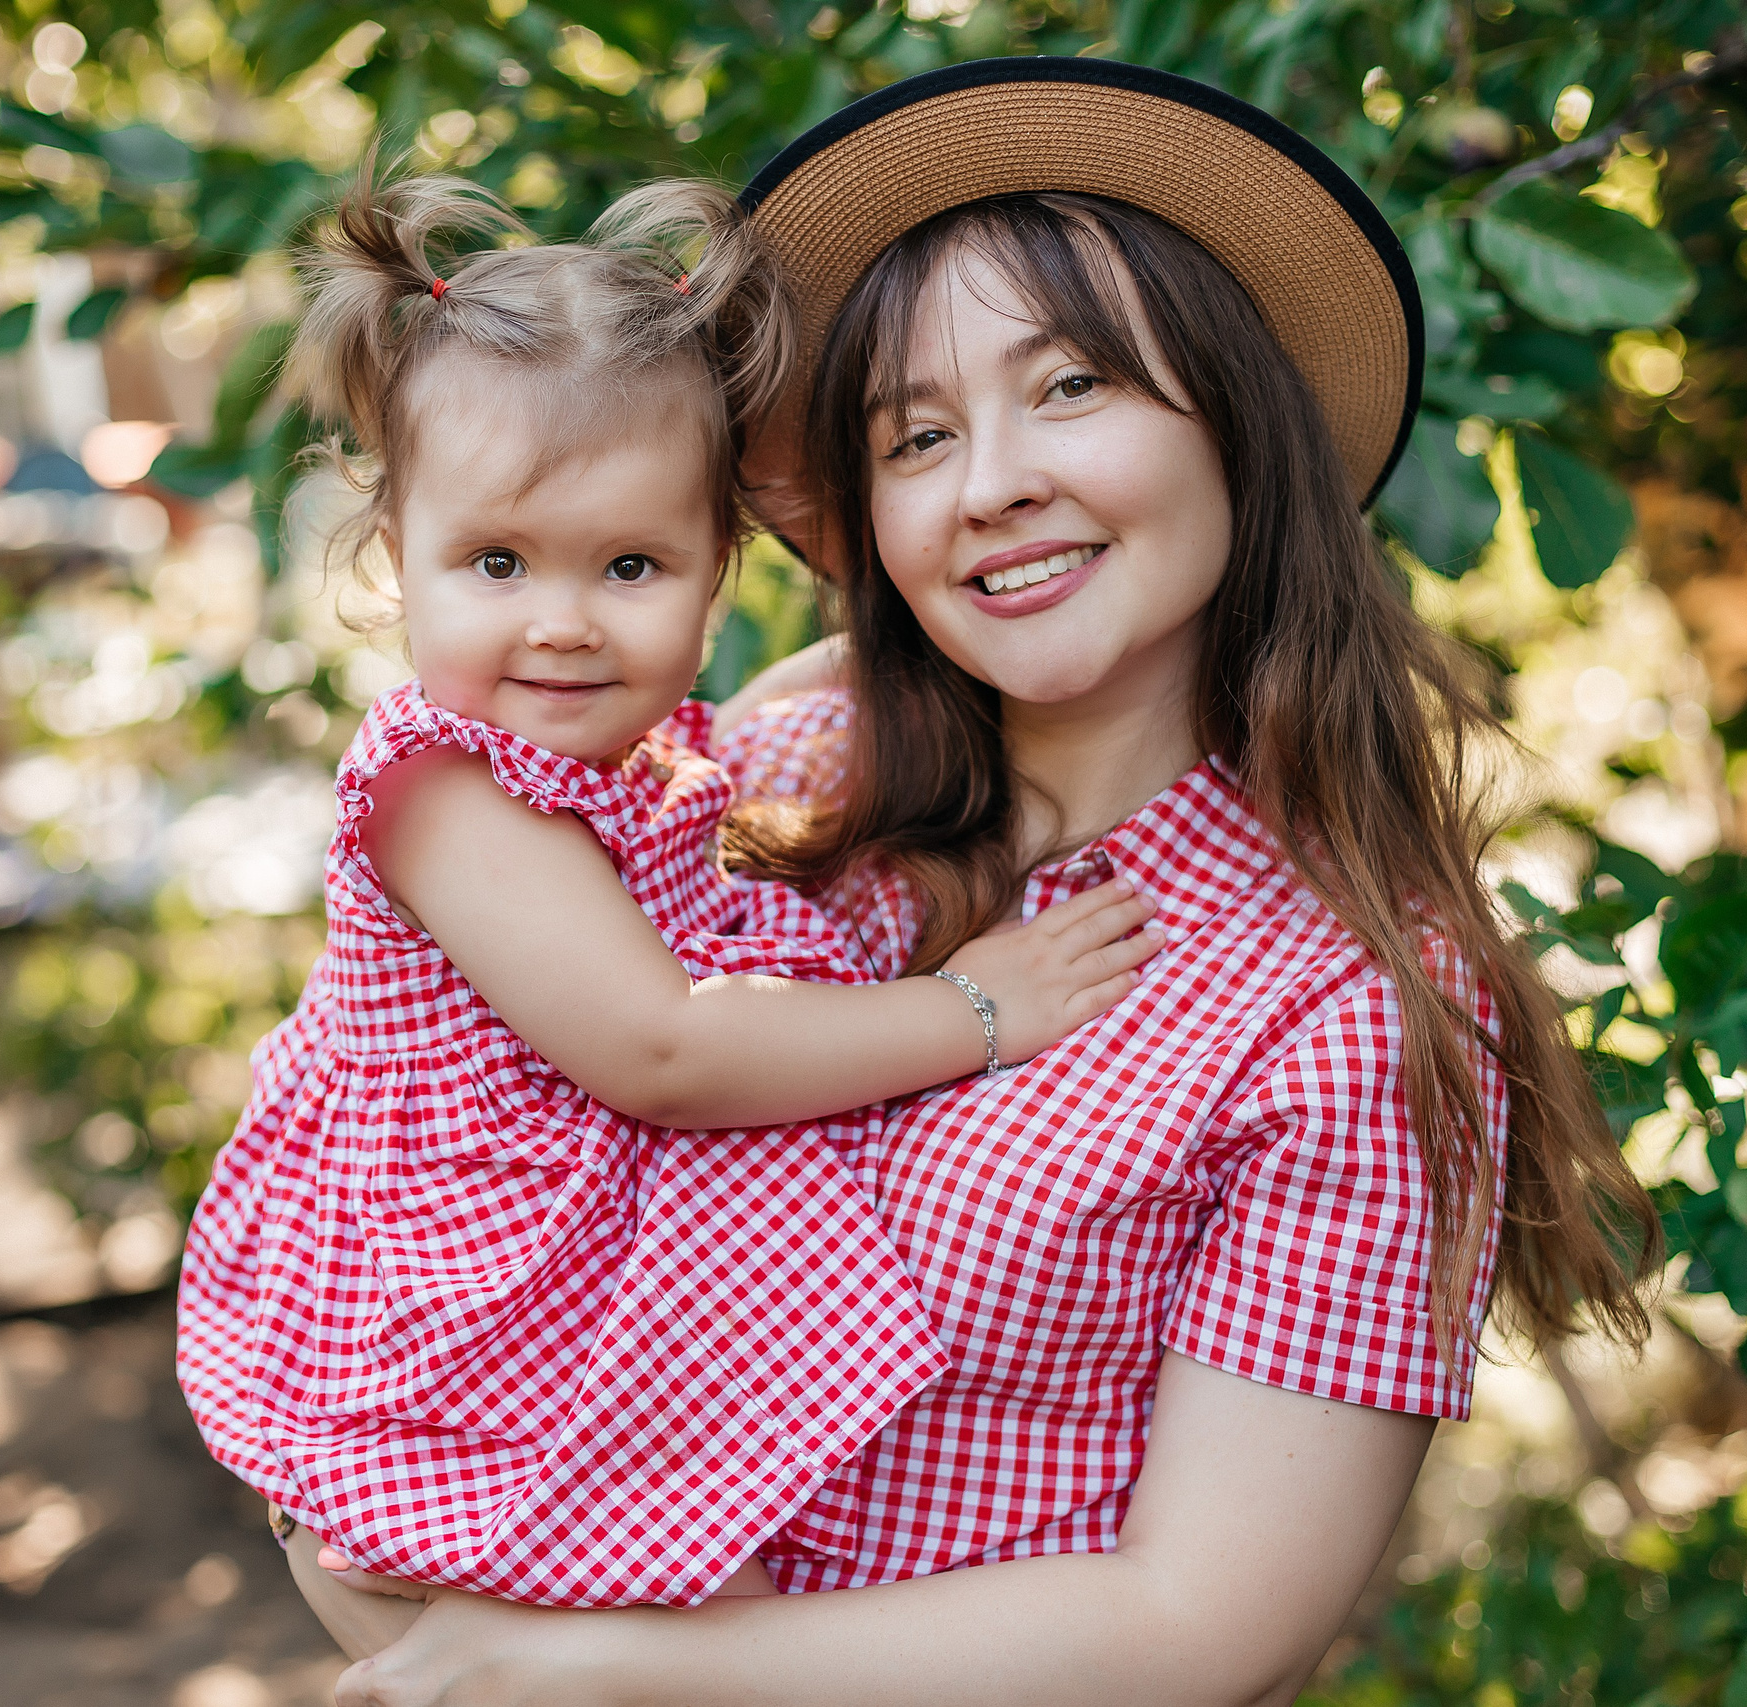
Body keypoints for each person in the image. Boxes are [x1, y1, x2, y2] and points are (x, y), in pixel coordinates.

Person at [305, 59, 1659, 1707]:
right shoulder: (783, 778)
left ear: (1238, 420)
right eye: (916, 436)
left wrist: (596, 1671)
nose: (989, 481)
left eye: (1073, 387)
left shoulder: (1342, 1003)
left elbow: (1199, 1632)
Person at [172, 157, 1168, 1620]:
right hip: (452, 1372)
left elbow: (830, 669)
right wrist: (974, 1010)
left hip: (561, 1342)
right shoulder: (446, 788)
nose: (564, 625)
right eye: (496, 562)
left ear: (717, 576)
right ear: (398, 561)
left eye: (631, 566)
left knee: (713, 1622)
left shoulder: (657, 759)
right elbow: (665, 1050)